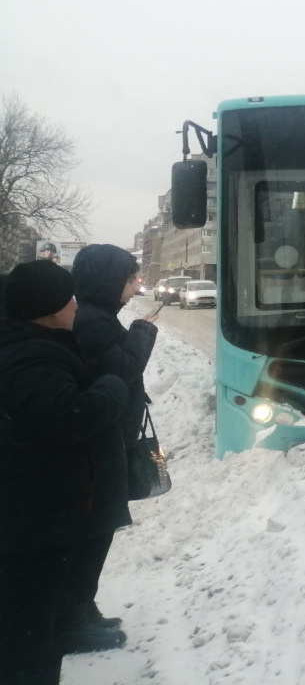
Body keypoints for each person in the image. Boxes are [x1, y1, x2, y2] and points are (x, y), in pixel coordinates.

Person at [0, 260, 129, 684]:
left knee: (37, 625)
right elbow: (71, 416)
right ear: (51, 308)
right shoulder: (31, 356)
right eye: (68, 298)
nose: (76, 305)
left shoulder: (32, 344)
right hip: (33, 523)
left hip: (36, 516)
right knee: (32, 634)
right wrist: (111, 387)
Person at [66, 244, 160, 653]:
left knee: (96, 531)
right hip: (99, 443)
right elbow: (121, 371)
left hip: (103, 440)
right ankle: (73, 621)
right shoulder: (94, 322)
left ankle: (81, 611)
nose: (136, 283)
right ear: (109, 281)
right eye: (129, 277)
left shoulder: (94, 317)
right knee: (93, 532)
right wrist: (142, 330)